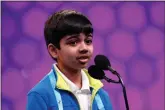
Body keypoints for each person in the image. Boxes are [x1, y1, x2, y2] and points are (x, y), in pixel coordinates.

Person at [26, 10, 113, 110]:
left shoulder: (101, 94)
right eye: (73, 42)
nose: (84, 48)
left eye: (88, 41)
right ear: (54, 50)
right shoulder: (40, 96)